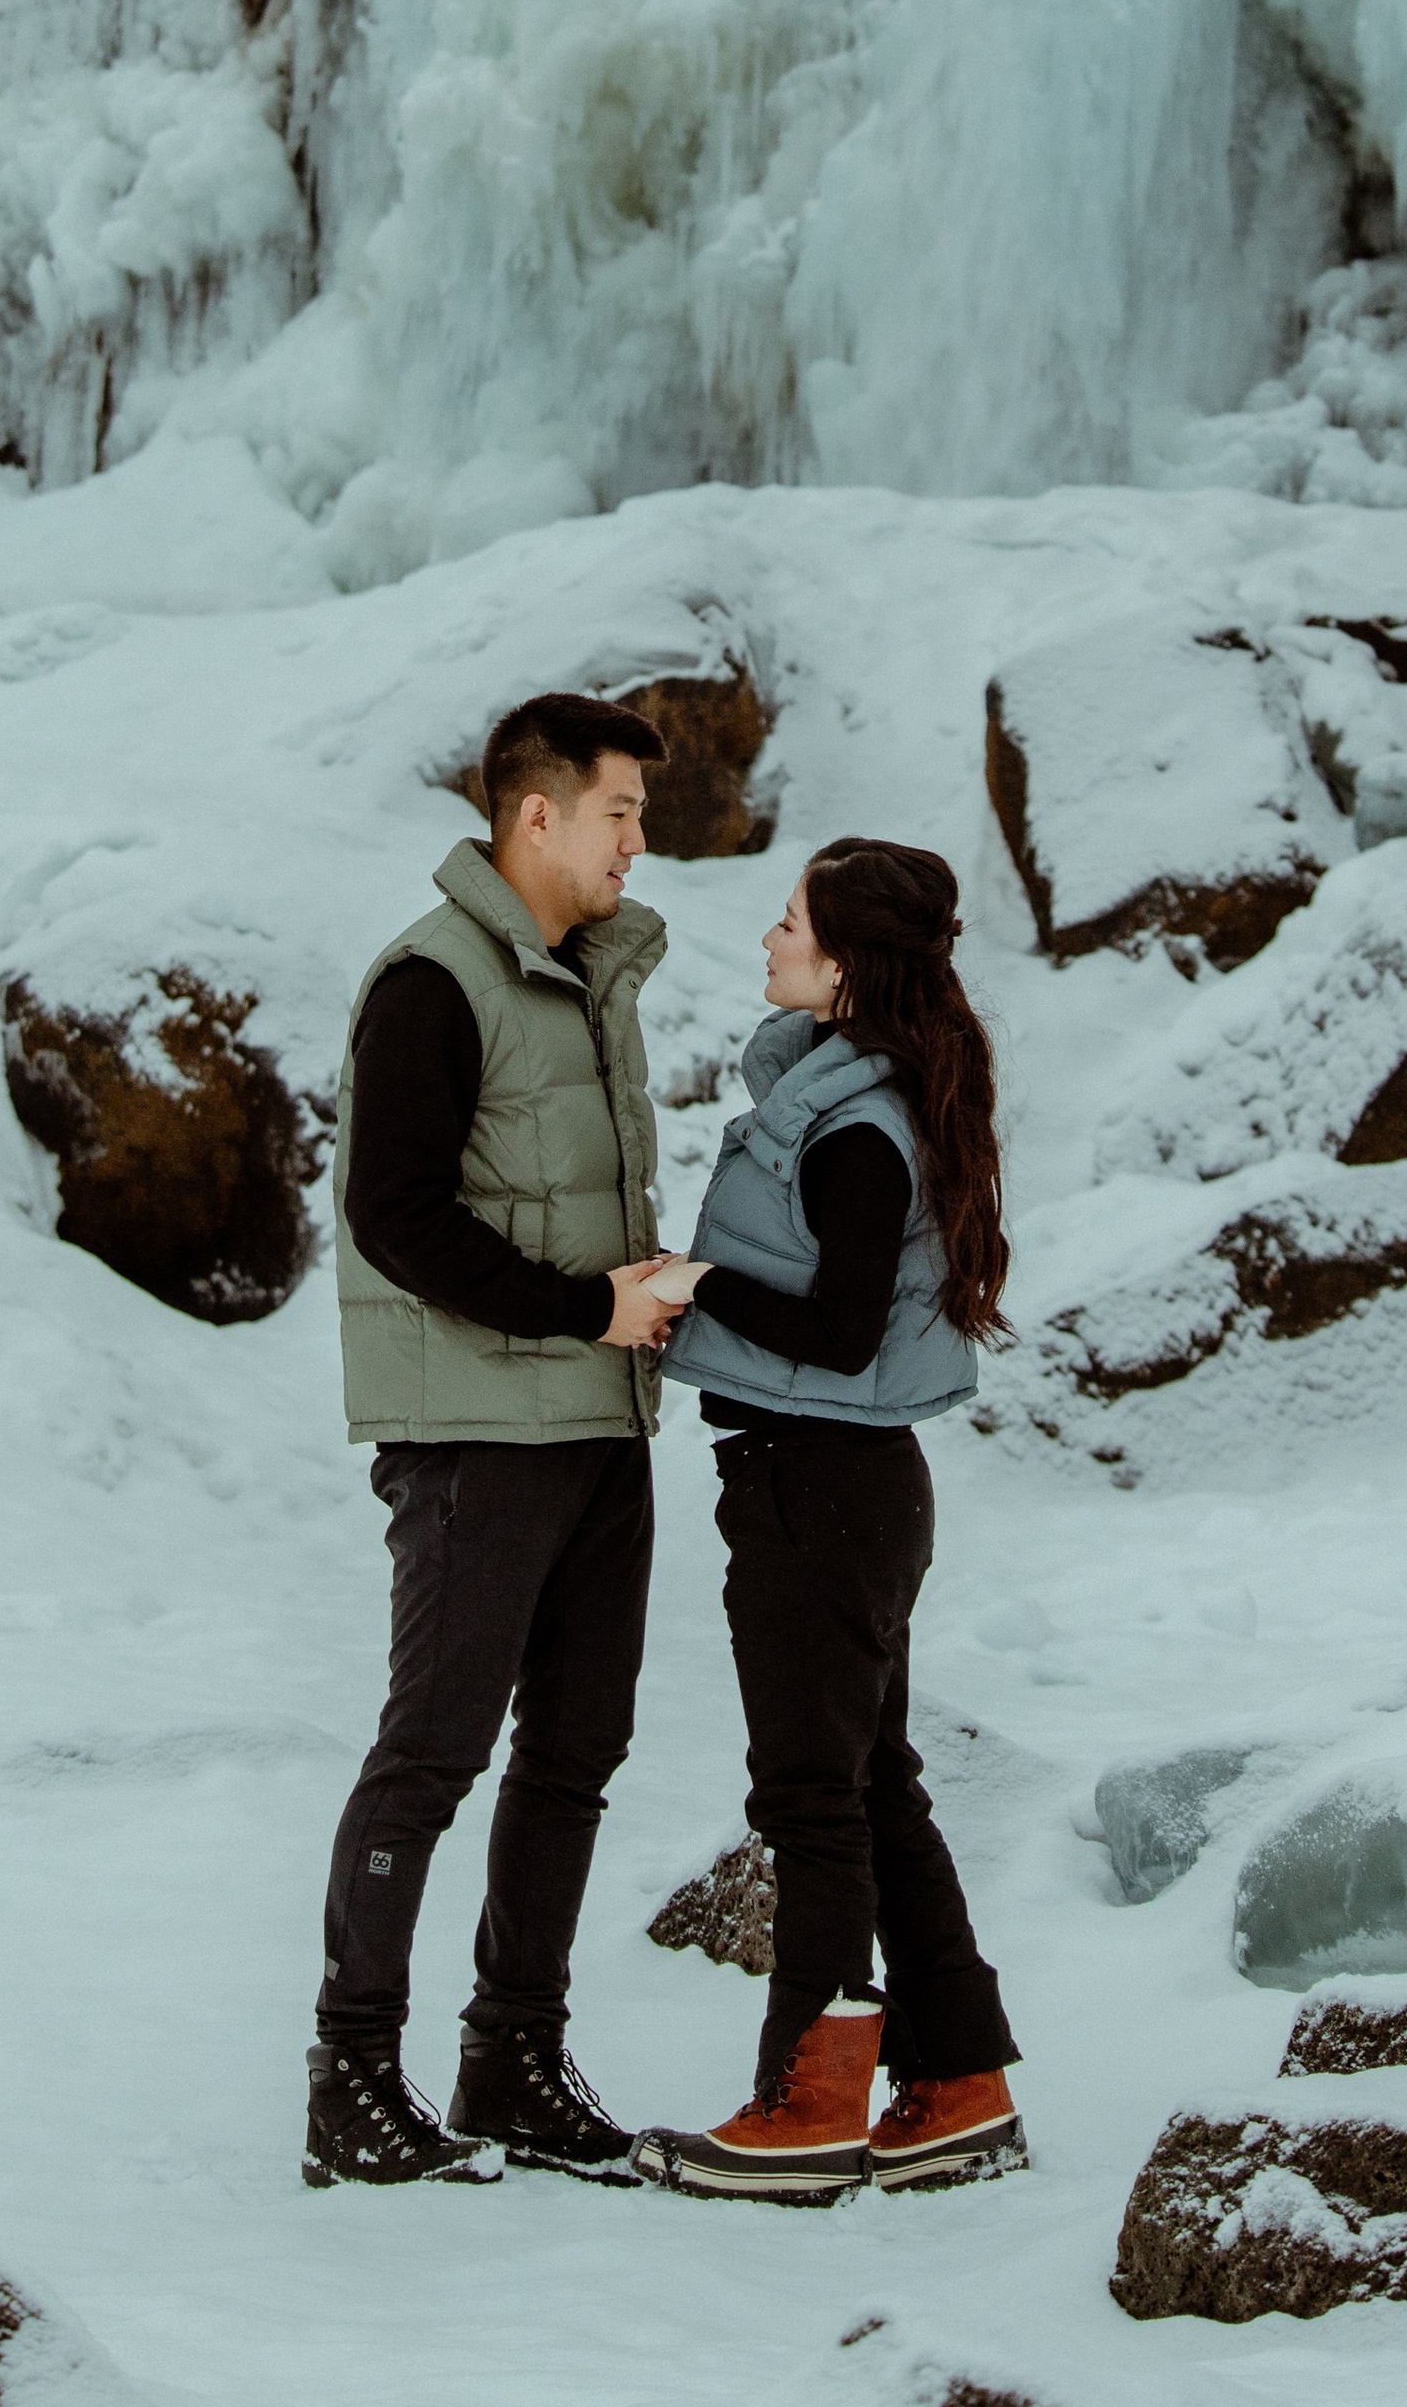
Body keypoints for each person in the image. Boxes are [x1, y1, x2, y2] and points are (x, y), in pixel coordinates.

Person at [304, 691, 683, 2189]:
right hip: (476, 1429)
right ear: (537, 813)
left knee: (578, 1744)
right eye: (621, 812)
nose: (640, 840)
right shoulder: (432, 980)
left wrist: (638, 1308)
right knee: (433, 1750)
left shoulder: (591, 978)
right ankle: (351, 2068)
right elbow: (392, 1217)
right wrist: (582, 1305)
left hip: (599, 1419)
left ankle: (512, 2055)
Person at [632, 838, 1024, 2203]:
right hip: (847, 1484)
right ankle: (958, 2077)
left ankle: (812, 2102)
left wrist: (698, 1281)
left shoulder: (858, 1123)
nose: (769, 933)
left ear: (846, 963)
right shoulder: (856, 1090)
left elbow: (845, 1328)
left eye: (791, 918)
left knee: (815, 1794)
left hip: (820, 1482)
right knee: (870, 1783)